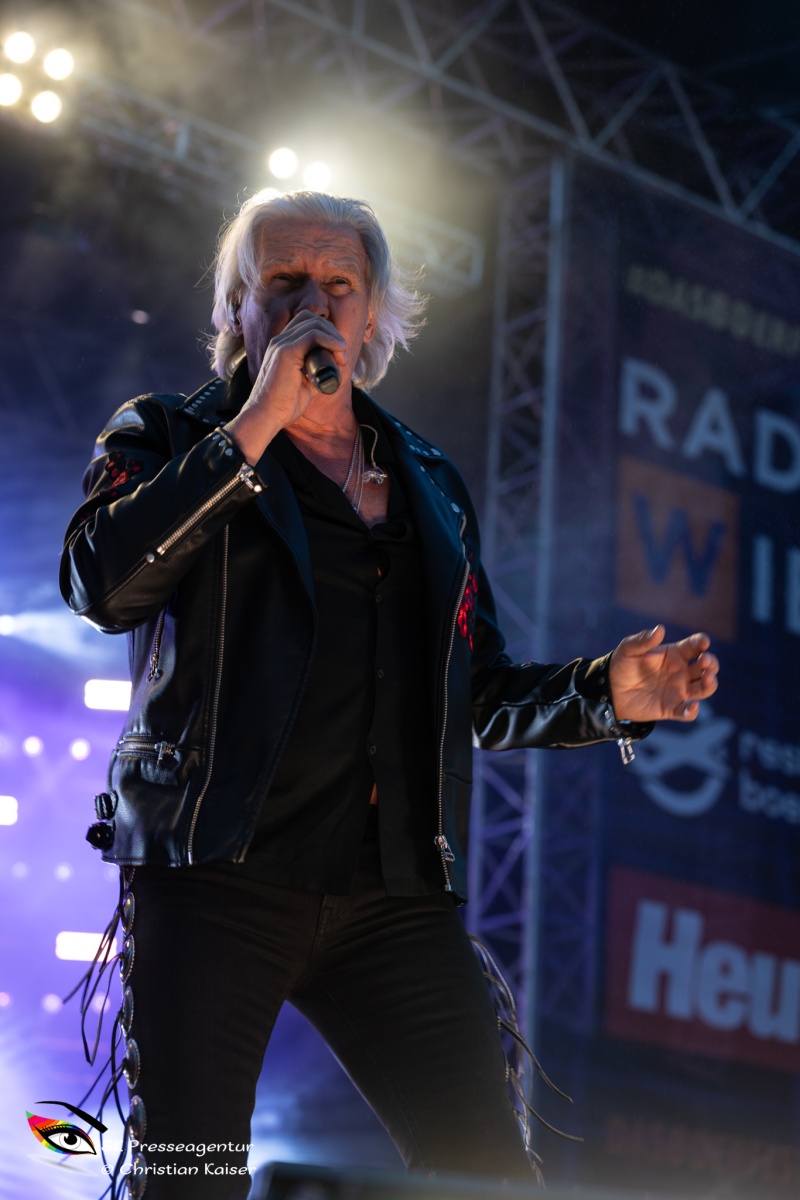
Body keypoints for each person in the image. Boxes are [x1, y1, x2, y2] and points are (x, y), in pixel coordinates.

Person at [60, 190, 719, 1199]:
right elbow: (103, 583)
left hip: (390, 896)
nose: (312, 304)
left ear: (372, 314)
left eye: (339, 284)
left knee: (487, 1179)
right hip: (215, 876)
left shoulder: (427, 480)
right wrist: (255, 424)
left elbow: (473, 692)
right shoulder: (165, 433)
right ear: (236, 307)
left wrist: (605, 694)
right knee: (192, 1178)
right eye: (283, 282)